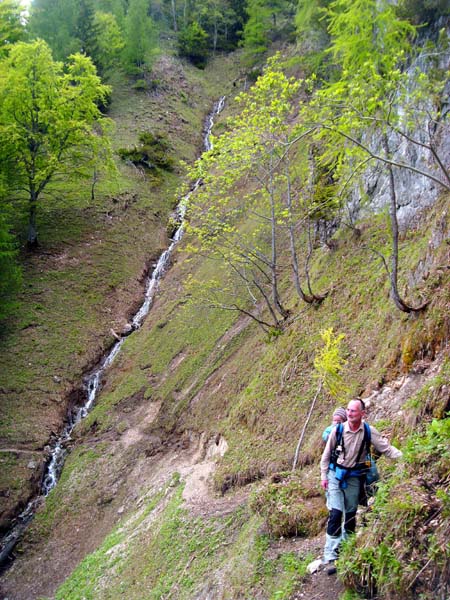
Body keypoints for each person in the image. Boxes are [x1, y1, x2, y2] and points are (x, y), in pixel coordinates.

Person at [320, 398, 402, 573]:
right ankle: (330, 556)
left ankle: (346, 549)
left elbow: (386, 449)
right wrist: (323, 476)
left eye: (353, 411)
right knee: (336, 512)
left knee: (350, 514)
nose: (349, 414)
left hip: (354, 476)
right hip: (335, 475)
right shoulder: (338, 430)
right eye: (348, 410)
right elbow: (326, 456)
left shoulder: (368, 431)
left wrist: (405, 456)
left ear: (362, 413)